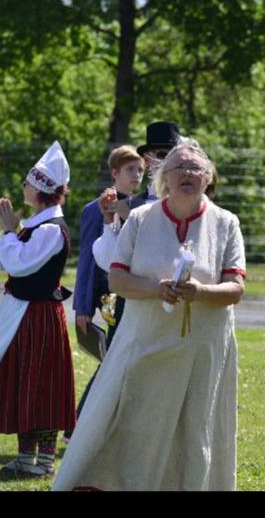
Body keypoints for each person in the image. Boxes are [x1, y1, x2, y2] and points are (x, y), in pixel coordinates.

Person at [52, 138, 246, 491]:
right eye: (178, 168)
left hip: (202, 351)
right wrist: (156, 288)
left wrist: (200, 293)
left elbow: (235, 288)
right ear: (164, 179)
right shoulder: (140, 219)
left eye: (195, 168)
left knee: (194, 431)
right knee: (135, 422)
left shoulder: (226, 223)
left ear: (208, 177)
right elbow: (117, 277)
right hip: (146, 341)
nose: (187, 174)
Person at [0, 141, 75, 478]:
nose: (24, 187)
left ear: (40, 189)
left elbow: (20, 264)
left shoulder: (51, 230)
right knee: (24, 382)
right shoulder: (32, 226)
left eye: (29, 183)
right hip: (21, 314)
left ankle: (44, 461)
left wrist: (10, 231)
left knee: (43, 384)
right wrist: (9, 231)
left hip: (38, 316)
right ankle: (26, 457)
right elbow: (0, 257)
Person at [69, 146, 146, 433]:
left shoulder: (143, 207)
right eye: (130, 170)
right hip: (109, 295)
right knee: (114, 356)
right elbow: (89, 261)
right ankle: (78, 424)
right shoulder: (95, 209)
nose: (137, 175)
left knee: (124, 357)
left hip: (136, 292)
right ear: (114, 173)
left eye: (140, 170)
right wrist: (83, 306)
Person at [90, 121, 181, 271]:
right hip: (142, 291)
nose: (169, 162)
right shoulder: (131, 204)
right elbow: (109, 262)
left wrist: (133, 219)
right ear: (147, 160)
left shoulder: (191, 201)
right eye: (163, 155)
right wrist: (108, 221)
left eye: (174, 156)